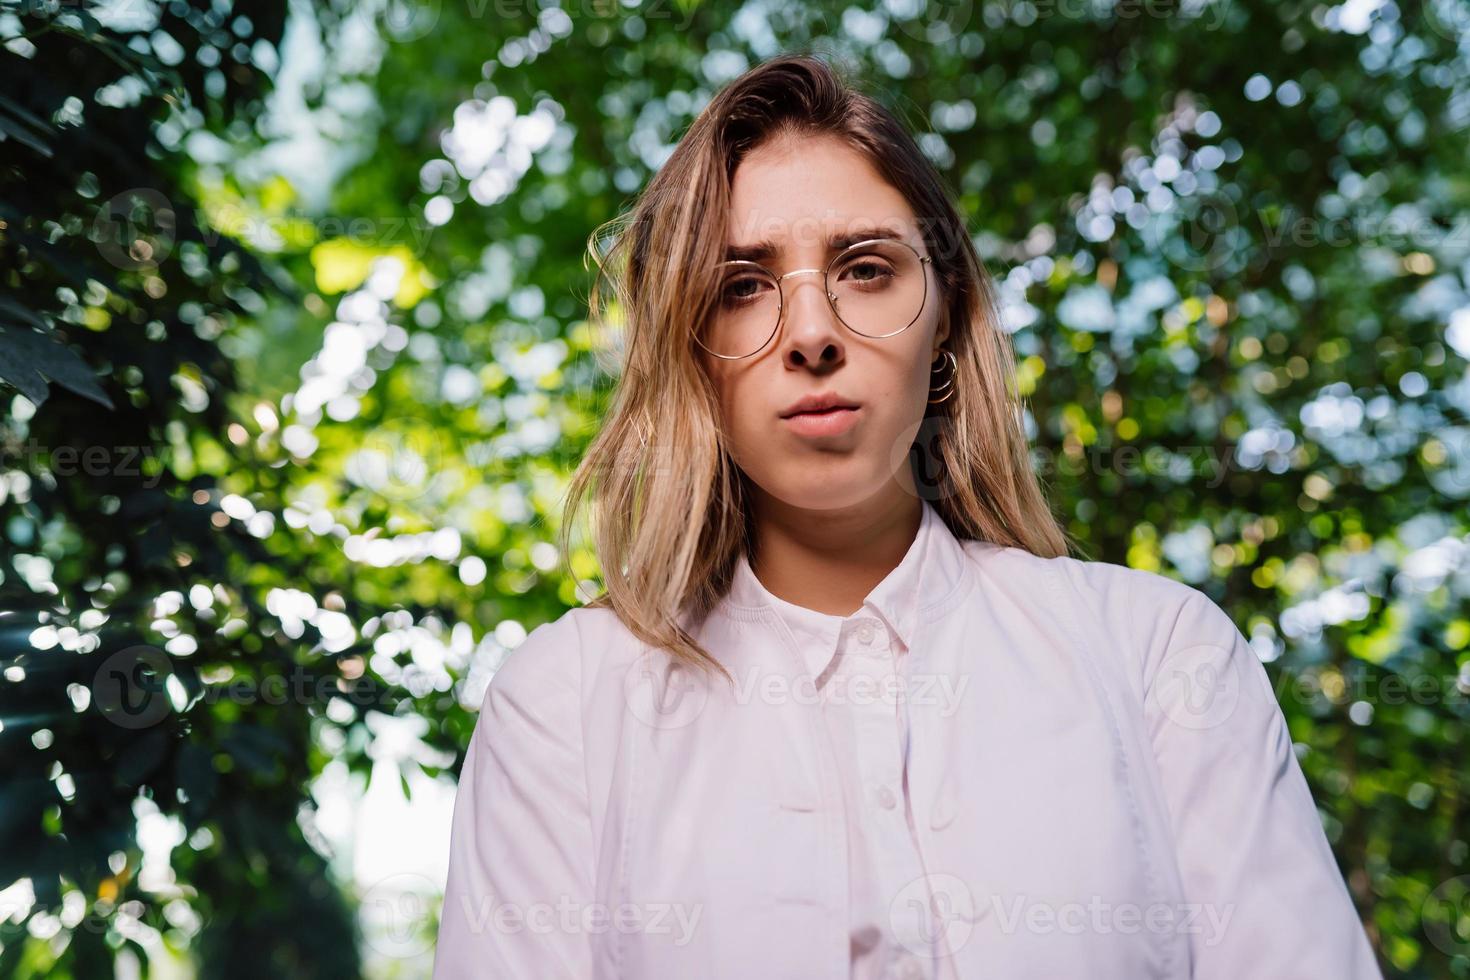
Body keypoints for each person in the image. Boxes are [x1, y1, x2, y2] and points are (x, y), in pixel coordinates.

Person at [431, 52, 1382, 980]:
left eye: (867, 269)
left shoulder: (1160, 659)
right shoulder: (565, 708)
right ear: (691, 352)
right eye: (742, 286)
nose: (811, 335)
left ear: (943, 321)